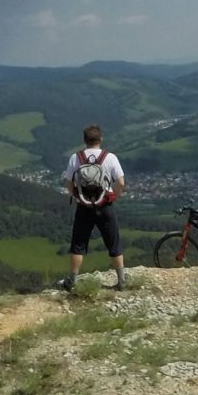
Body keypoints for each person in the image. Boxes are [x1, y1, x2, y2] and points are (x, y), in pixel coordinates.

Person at [60, 124, 126, 291]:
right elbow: (120, 182)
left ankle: (72, 280)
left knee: (78, 244)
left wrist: (77, 197)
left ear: (84, 140)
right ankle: (121, 280)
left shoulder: (76, 158)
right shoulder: (110, 157)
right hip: (105, 206)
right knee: (113, 242)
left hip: (83, 206)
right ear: (100, 139)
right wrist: (114, 196)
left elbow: (69, 183)